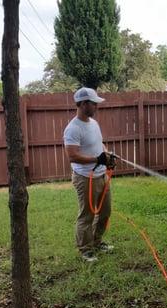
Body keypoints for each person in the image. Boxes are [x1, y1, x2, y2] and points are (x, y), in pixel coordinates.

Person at [63, 87, 114, 262]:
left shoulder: (94, 124)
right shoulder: (73, 129)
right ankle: (85, 249)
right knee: (87, 214)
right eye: (94, 104)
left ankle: (97, 241)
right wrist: (96, 159)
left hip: (101, 175)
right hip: (85, 178)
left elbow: (100, 145)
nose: (96, 107)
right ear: (83, 104)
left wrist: (106, 155)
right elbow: (72, 156)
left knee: (105, 211)